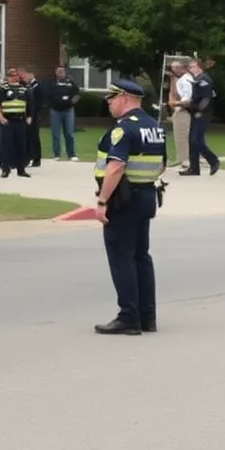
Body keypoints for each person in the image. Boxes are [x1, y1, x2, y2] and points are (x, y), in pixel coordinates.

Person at [91, 80, 166, 336]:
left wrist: (102, 201)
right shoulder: (155, 127)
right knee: (141, 257)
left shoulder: (122, 129)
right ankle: (147, 317)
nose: (109, 104)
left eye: (111, 99)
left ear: (123, 98)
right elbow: (162, 165)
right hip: (146, 195)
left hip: (123, 199)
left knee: (121, 257)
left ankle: (128, 317)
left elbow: (115, 166)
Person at [182, 58, 221, 176]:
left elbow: (206, 98)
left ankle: (213, 160)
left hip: (202, 114)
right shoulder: (197, 79)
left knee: (196, 140)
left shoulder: (204, 79)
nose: (191, 69)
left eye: (194, 66)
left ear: (199, 67)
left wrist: (200, 110)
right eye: (190, 67)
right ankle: (194, 168)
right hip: (195, 113)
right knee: (192, 140)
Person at [0, 68, 30, 178]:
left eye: (14, 75)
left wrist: (29, 116)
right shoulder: (4, 89)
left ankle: (21, 169)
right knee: (6, 146)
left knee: (21, 145)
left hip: (20, 120)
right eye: (10, 75)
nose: (12, 77)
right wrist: (1, 117)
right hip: (7, 120)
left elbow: (29, 104)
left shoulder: (24, 89)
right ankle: (5, 169)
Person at [46, 66, 80, 161]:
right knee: (56, 134)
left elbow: (78, 93)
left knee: (69, 133)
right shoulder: (51, 82)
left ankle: (71, 154)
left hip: (68, 110)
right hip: (55, 111)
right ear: (56, 72)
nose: (61, 73)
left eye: (62, 71)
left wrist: (73, 101)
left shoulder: (70, 82)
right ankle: (57, 154)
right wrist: (52, 103)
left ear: (65, 72)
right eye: (59, 71)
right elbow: (47, 95)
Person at [167, 60, 194, 171]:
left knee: (182, 135)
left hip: (184, 110)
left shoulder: (186, 79)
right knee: (179, 135)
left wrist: (176, 103)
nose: (175, 70)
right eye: (173, 67)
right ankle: (182, 158)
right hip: (180, 110)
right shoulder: (179, 79)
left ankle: (185, 160)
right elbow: (173, 94)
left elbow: (188, 98)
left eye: (177, 67)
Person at [19, 66, 43, 167]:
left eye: (25, 75)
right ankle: (27, 157)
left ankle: (37, 158)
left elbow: (38, 103)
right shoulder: (26, 86)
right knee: (26, 138)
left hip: (33, 116)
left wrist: (32, 116)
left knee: (34, 137)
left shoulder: (37, 86)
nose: (23, 77)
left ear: (31, 74)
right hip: (25, 116)